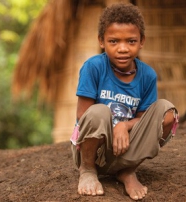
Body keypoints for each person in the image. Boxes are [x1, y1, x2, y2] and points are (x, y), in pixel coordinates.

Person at [70, 3, 179, 201]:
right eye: (113, 41)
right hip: (94, 147)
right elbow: (83, 116)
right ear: (101, 41)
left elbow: (144, 120)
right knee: (98, 111)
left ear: (141, 41)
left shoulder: (147, 75)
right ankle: (87, 170)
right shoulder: (93, 67)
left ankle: (127, 171)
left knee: (167, 111)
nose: (122, 48)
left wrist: (124, 125)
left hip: (125, 148)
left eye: (130, 41)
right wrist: (113, 128)